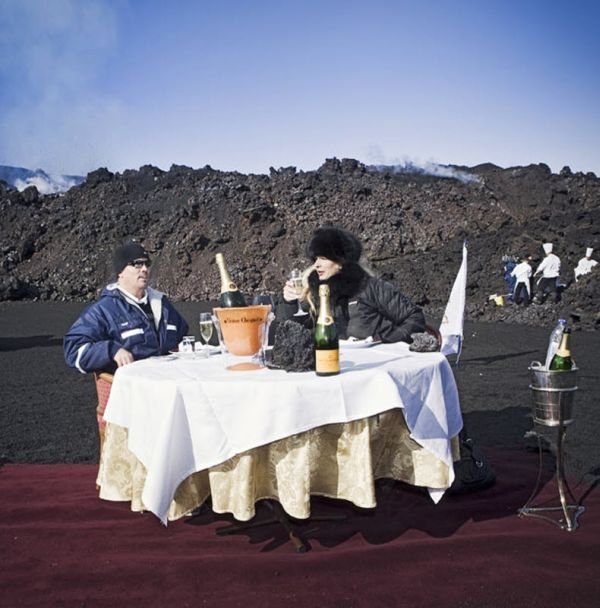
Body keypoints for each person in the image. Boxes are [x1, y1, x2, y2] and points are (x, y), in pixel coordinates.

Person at [281, 226, 426, 343]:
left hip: (375, 364)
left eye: (323, 258)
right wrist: (290, 304)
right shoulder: (316, 291)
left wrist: (385, 341)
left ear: (341, 261)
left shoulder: (371, 287)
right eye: (315, 259)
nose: (316, 265)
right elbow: (294, 334)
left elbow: (414, 318)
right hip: (334, 360)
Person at [64, 241, 189, 374]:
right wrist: (111, 350)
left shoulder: (163, 305)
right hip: (133, 388)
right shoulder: (103, 311)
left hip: (170, 381)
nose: (145, 269)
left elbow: (183, 337)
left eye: (147, 264)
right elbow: (73, 350)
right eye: (137, 264)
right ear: (120, 272)